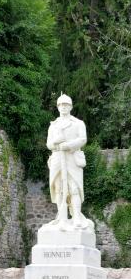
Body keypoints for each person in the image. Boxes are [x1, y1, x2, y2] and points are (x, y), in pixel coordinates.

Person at [44, 93, 93, 231]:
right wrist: (56, 143)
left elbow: (83, 139)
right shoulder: (53, 125)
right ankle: (62, 216)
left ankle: (77, 216)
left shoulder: (78, 123)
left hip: (72, 158)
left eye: (66, 105)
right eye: (60, 105)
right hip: (57, 159)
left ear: (70, 106)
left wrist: (69, 145)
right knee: (58, 188)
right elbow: (49, 144)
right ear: (58, 107)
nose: (63, 107)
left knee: (74, 188)